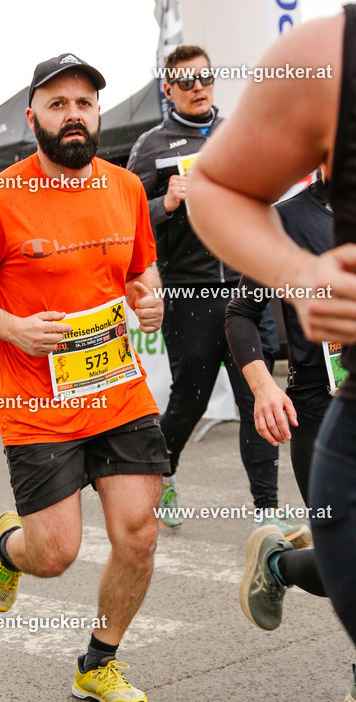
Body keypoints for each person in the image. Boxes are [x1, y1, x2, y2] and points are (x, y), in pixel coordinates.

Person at [0, 52, 170, 702]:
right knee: (55, 553)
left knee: (140, 535)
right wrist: (11, 328)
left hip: (117, 390)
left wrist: (149, 299)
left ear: (97, 115)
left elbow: (139, 272)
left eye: (85, 103)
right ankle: (9, 549)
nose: (74, 115)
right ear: (33, 116)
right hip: (36, 405)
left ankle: (99, 663)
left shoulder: (125, 189)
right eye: (58, 103)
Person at [187, 9, 356, 702]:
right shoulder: (328, 60)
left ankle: (280, 564)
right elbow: (238, 313)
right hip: (326, 399)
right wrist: (263, 383)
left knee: (341, 556)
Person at [127, 45, 301, 543]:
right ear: (169, 90)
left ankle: (266, 512)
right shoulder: (151, 145)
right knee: (191, 399)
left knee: (258, 395)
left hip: (248, 287)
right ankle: (163, 472)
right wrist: (166, 201)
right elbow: (131, 219)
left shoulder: (239, 130)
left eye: (205, 77)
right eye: (186, 82)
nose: (198, 87)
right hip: (191, 292)